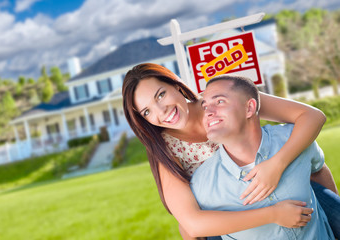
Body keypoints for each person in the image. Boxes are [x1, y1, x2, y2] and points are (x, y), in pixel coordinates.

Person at [122, 63, 339, 238]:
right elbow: (192, 223)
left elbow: (312, 117)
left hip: (285, 187)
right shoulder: (165, 150)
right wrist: (273, 215)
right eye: (147, 111)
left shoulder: (222, 100)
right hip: (233, 217)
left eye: (160, 95)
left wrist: (277, 164)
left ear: (176, 86)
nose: (161, 111)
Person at [190, 75, 336, 239]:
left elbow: (318, 170)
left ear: (249, 108)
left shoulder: (294, 138)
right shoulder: (202, 185)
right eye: (204, 107)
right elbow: (192, 229)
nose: (208, 112)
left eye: (219, 102)